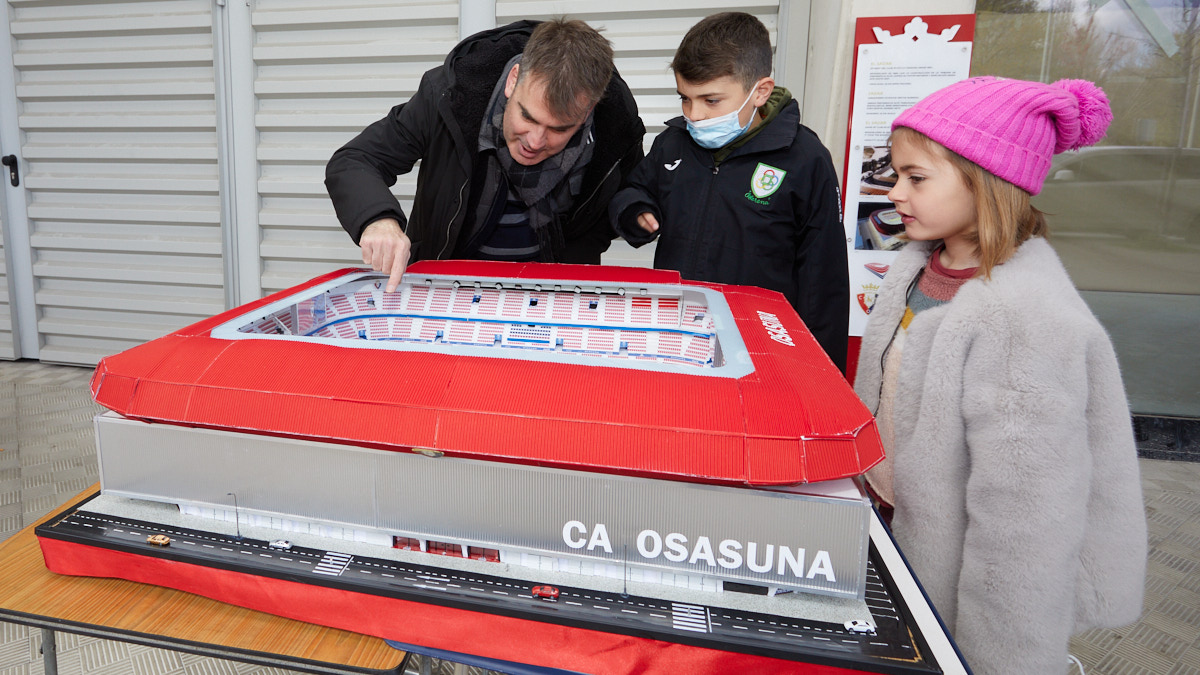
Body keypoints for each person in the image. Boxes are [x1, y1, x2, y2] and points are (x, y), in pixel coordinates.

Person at [853, 76, 1147, 674]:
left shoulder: (1024, 320)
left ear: (987, 180)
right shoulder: (917, 267)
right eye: (896, 174)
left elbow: (1026, 526)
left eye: (917, 177)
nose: (896, 192)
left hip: (958, 575)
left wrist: (1001, 659)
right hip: (889, 521)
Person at [326, 19, 646, 292]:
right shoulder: (448, 96)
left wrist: (631, 215)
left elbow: (628, 192)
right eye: (528, 117)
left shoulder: (615, 124)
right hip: (445, 292)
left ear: (588, 110)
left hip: (556, 297)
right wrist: (378, 221)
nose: (535, 141)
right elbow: (355, 160)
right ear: (513, 80)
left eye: (559, 129)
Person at [609, 12, 849, 372]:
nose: (695, 114)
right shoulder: (672, 144)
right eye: (685, 99)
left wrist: (820, 376)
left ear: (760, 91)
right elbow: (633, 189)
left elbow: (823, 283)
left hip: (761, 349)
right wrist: (634, 209)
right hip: (679, 337)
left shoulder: (805, 160)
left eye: (711, 100)